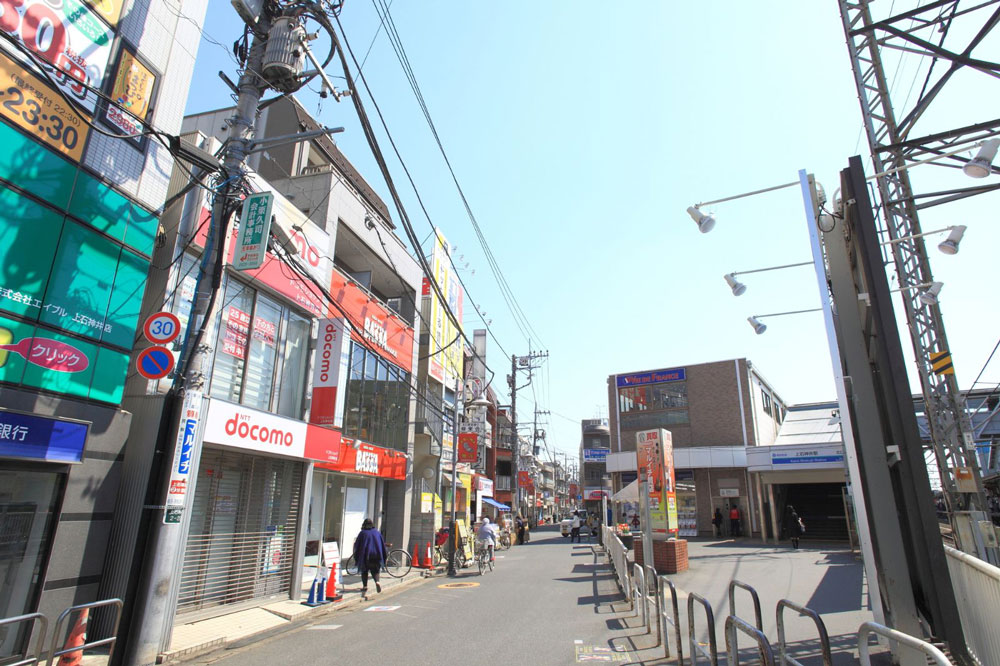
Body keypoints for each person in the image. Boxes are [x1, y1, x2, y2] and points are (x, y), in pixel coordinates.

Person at [353, 518, 387, 599]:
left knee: (364, 570)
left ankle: (365, 586)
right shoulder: (377, 532)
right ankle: (377, 582)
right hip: (376, 555)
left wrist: (356, 556)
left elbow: (357, 545)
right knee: (375, 570)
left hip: (366, 556)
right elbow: (382, 544)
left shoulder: (363, 533)